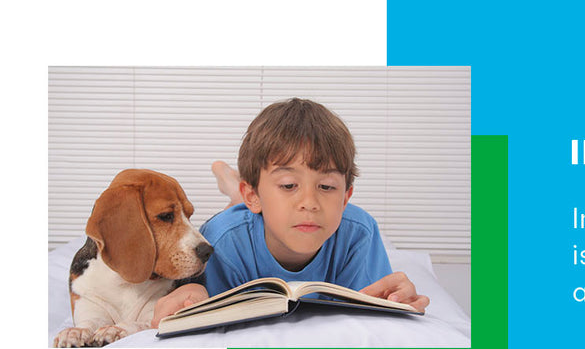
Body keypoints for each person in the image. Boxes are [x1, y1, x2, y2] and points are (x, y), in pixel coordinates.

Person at [150, 98, 429, 328]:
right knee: (236, 213)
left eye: (327, 186)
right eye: (288, 185)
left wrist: (396, 299)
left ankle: (236, 186)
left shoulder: (359, 233)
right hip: (242, 215)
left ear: (346, 198)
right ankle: (232, 186)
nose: (309, 202)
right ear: (254, 195)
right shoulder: (223, 239)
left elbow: (374, 313)